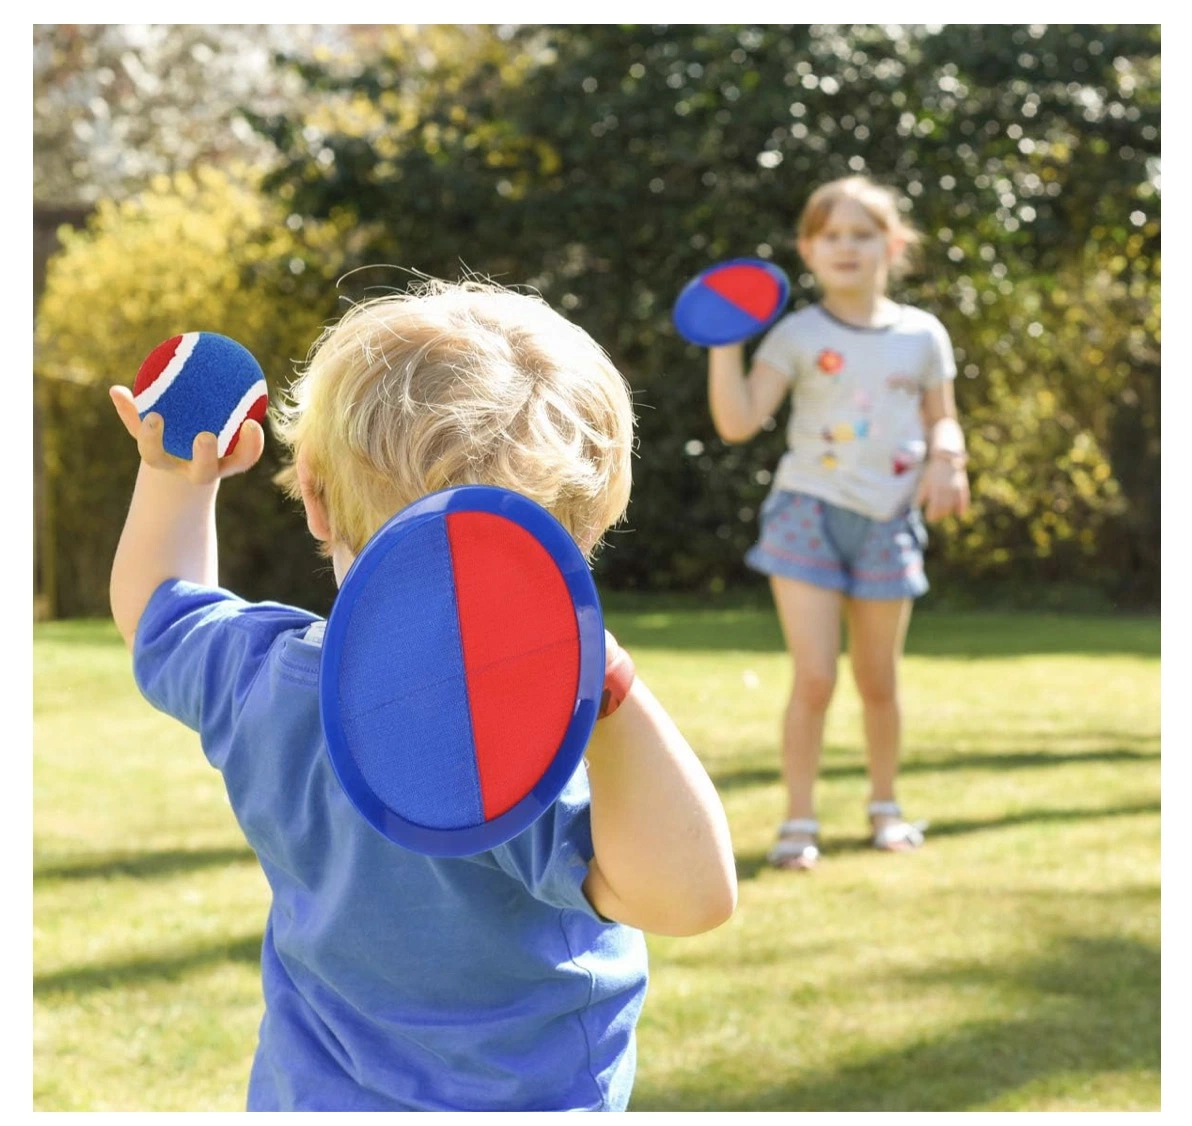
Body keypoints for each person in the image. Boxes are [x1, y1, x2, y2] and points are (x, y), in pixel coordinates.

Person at [107, 279, 738, 1111]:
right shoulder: (506, 742)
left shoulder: (259, 674)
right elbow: (687, 897)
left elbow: (157, 604)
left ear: (318, 500)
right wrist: (610, 691)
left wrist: (175, 475)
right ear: (574, 538)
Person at [706, 175, 970, 872]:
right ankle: (798, 821)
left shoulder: (923, 335)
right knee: (815, 678)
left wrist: (949, 459)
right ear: (807, 249)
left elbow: (943, 418)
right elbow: (737, 423)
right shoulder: (794, 334)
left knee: (879, 682)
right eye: (831, 236)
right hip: (807, 515)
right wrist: (723, 340)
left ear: (894, 244)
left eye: (862, 233)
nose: (846, 247)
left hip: (888, 519)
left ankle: (886, 808)